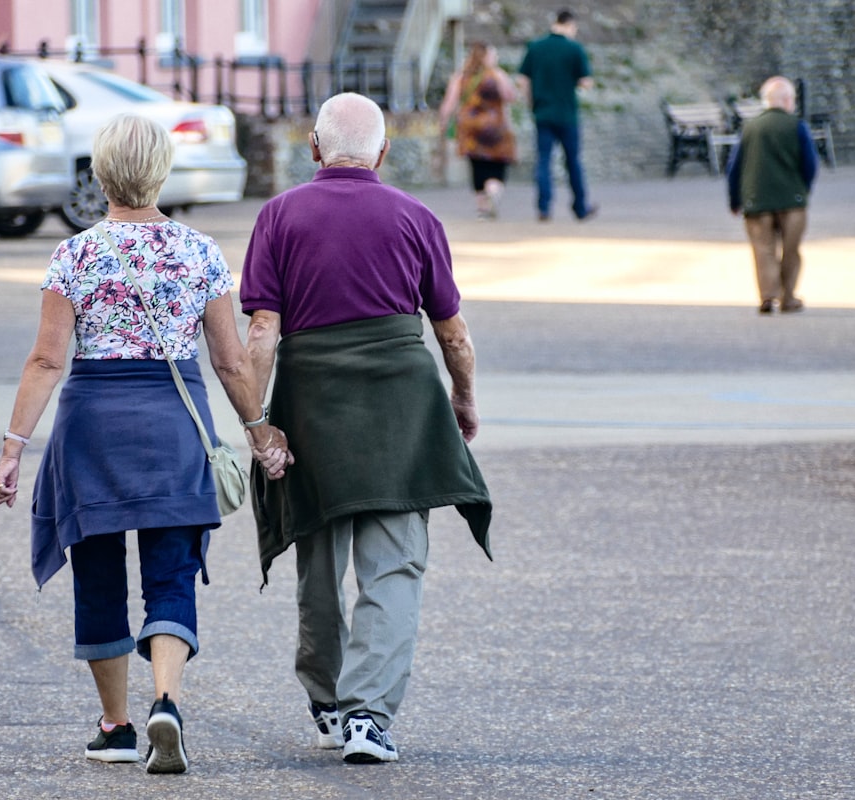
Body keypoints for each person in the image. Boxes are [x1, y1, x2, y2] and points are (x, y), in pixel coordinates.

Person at [0, 113, 291, 775]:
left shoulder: (76, 254)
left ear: (99, 175)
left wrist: (12, 449)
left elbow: (45, 361)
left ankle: (117, 726)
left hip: (90, 431)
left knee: (98, 578)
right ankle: (168, 704)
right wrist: (259, 433)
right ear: (161, 172)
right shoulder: (201, 252)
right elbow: (232, 363)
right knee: (171, 578)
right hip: (173, 429)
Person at [240, 92, 493, 765]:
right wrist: (462, 400)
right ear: (383, 153)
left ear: (315, 150)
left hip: (311, 403)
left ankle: (327, 701)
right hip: (400, 408)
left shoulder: (279, 215)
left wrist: (257, 421)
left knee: (317, 561)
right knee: (394, 566)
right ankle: (368, 719)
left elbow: (262, 330)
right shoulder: (416, 216)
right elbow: (452, 333)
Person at [726, 76, 819, 314]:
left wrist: (735, 200)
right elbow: (810, 164)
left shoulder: (750, 127)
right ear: (787, 99)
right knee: (791, 250)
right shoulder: (796, 125)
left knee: (763, 249)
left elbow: (734, 167)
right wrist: (803, 190)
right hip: (792, 201)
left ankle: (767, 296)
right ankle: (788, 297)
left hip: (756, 200)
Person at [517, 8, 597, 221]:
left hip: (542, 113)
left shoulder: (536, 47)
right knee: (573, 161)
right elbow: (586, 82)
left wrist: (531, 103)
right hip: (567, 114)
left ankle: (544, 207)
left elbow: (522, 80)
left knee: (543, 160)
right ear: (570, 25)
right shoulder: (574, 49)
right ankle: (580, 207)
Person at [439, 41, 518, 220]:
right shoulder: (497, 75)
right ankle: (493, 188)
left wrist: (443, 122)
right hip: (496, 126)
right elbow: (510, 97)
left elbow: (449, 103)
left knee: (477, 165)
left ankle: (482, 207)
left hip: (470, 128)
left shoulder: (461, 76)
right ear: (487, 57)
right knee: (498, 163)